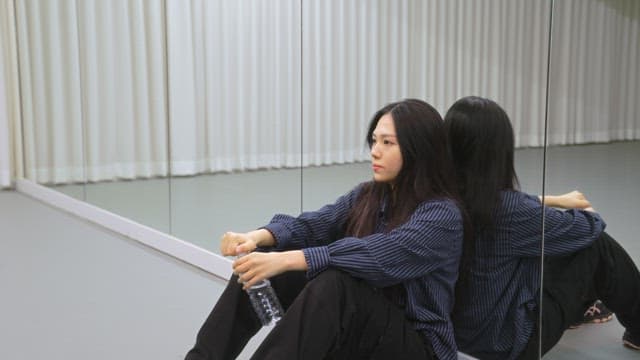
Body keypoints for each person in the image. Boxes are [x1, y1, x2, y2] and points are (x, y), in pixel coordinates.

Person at [185, 99, 466, 360]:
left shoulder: (441, 214)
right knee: (265, 256)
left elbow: (378, 256)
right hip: (364, 329)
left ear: (419, 149)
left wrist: (285, 260)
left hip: (418, 346)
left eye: (388, 142)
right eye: (374, 141)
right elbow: (314, 224)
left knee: (334, 283)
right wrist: (255, 238)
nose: (375, 151)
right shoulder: (369, 195)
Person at [443, 95, 640, 359]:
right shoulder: (510, 210)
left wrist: (554, 200)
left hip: (456, 335)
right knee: (595, 246)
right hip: (507, 344)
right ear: (499, 152)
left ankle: (582, 308)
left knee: (547, 243)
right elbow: (591, 227)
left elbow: (502, 204)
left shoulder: (439, 197)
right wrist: (582, 210)